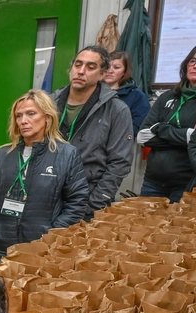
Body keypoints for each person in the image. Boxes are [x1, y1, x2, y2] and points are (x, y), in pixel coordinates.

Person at [0, 90, 89, 264]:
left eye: (31, 114)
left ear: (47, 117)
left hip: (41, 252)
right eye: (19, 116)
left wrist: (51, 233)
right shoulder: (4, 154)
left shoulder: (66, 154)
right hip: (0, 248)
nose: (23, 121)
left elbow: (77, 201)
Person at [50, 45, 134, 218]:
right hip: (46, 198)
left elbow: (119, 163)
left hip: (86, 201)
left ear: (103, 74)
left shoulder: (116, 110)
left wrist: (94, 203)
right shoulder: (50, 103)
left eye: (90, 67)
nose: (81, 71)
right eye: (78, 65)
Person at [138, 45, 196, 203]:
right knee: (143, 226)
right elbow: (142, 136)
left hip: (187, 184)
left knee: (179, 228)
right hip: (153, 182)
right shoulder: (167, 97)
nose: (195, 65)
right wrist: (186, 135)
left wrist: (160, 129)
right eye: (192, 61)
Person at [105, 50, 151, 131]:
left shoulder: (137, 96)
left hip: (120, 140)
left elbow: (138, 126)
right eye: (107, 67)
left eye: (116, 67)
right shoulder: (92, 91)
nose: (110, 71)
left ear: (125, 71)